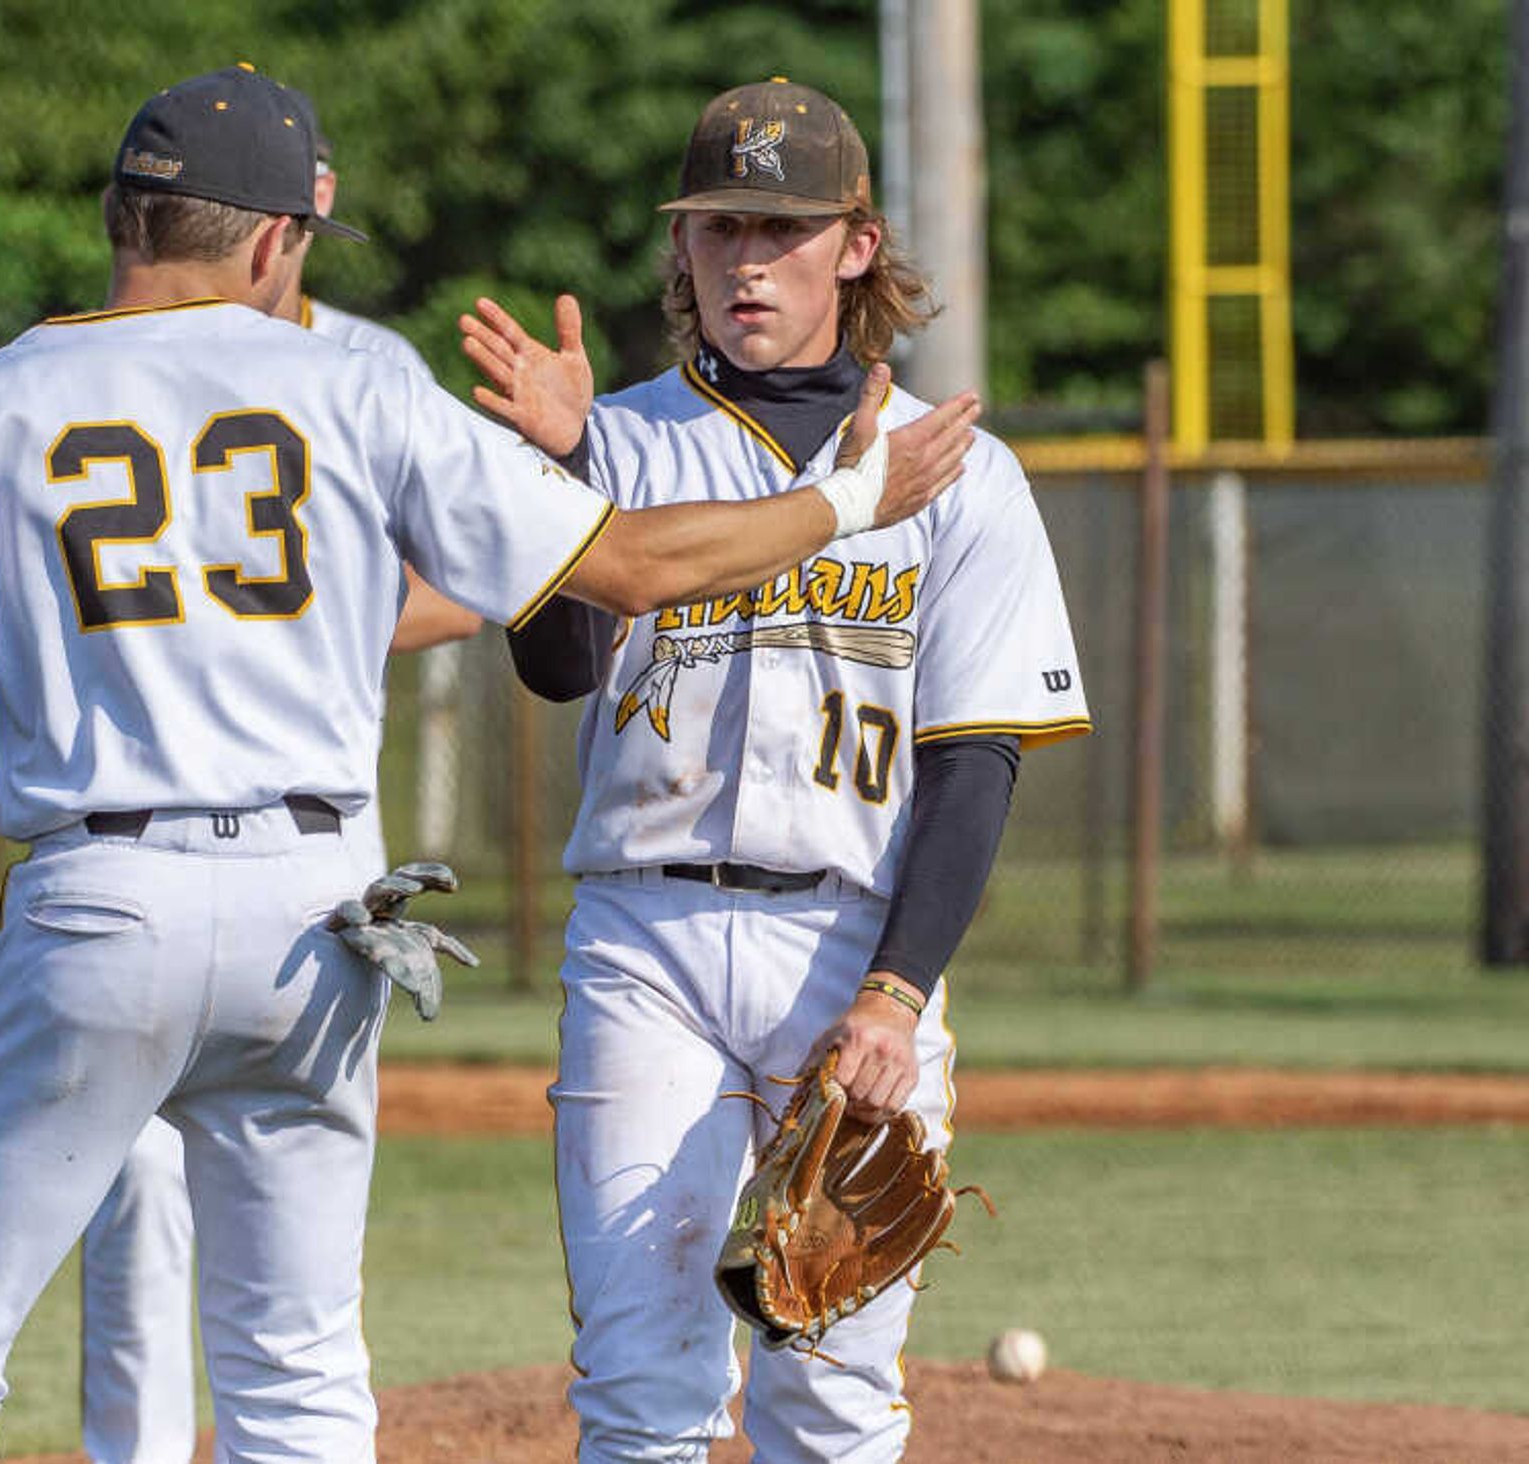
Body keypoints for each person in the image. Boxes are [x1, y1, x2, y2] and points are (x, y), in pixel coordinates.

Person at [0, 63, 972, 1463]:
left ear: (121, 219)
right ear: (283, 238)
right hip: (324, 916)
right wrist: (845, 496)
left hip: (105, 897)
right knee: (295, 1374)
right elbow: (634, 566)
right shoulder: (360, 385)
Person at [460, 77, 1091, 1462]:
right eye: (719, 227)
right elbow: (559, 669)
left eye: (784, 229)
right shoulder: (615, 436)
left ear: (856, 247)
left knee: (832, 1388)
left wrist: (895, 990)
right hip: (648, 941)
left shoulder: (954, 473)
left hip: (852, 946)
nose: (748, 260)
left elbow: (975, 759)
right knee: (642, 1383)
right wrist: (559, 468)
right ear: (680, 250)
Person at [76, 114, 480, 1464]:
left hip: (312, 841)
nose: (291, 246)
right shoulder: (108, 358)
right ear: (261, 226)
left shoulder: (368, 366)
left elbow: (463, 584)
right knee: (132, 1182)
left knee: (293, 1243)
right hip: (134, 823)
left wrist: (296, 624)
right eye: (288, 222)